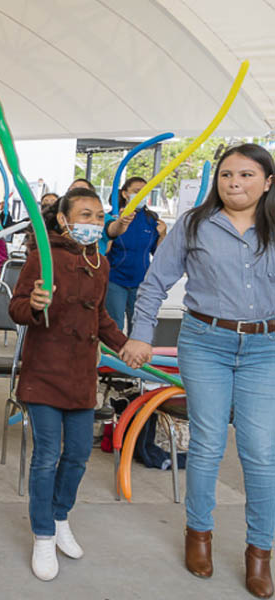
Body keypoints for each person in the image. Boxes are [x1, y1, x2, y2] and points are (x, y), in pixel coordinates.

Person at [121, 144, 275, 598]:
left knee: (261, 452)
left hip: (265, 349)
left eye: (247, 175)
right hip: (205, 342)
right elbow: (154, 283)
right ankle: (199, 535)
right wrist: (141, 334)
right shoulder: (194, 225)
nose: (234, 183)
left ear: (267, 182)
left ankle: (260, 551)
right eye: (227, 174)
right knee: (207, 443)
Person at [9, 187, 132, 581]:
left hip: (82, 374)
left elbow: (101, 319)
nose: (93, 223)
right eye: (84, 214)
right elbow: (17, 306)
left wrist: (127, 347)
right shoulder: (41, 257)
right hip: (45, 371)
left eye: (98, 216)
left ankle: (61, 517)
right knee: (47, 454)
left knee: (78, 454)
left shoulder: (101, 263)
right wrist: (36, 304)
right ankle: (42, 534)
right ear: (63, 218)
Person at [103, 176, 168, 333]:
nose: (142, 195)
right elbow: (104, 250)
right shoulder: (112, 218)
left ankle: (134, 357)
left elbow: (158, 254)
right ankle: (112, 356)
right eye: (137, 192)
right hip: (115, 280)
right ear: (125, 194)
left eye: (145, 192)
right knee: (115, 324)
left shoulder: (152, 220)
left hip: (141, 281)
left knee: (139, 325)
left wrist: (163, 235)